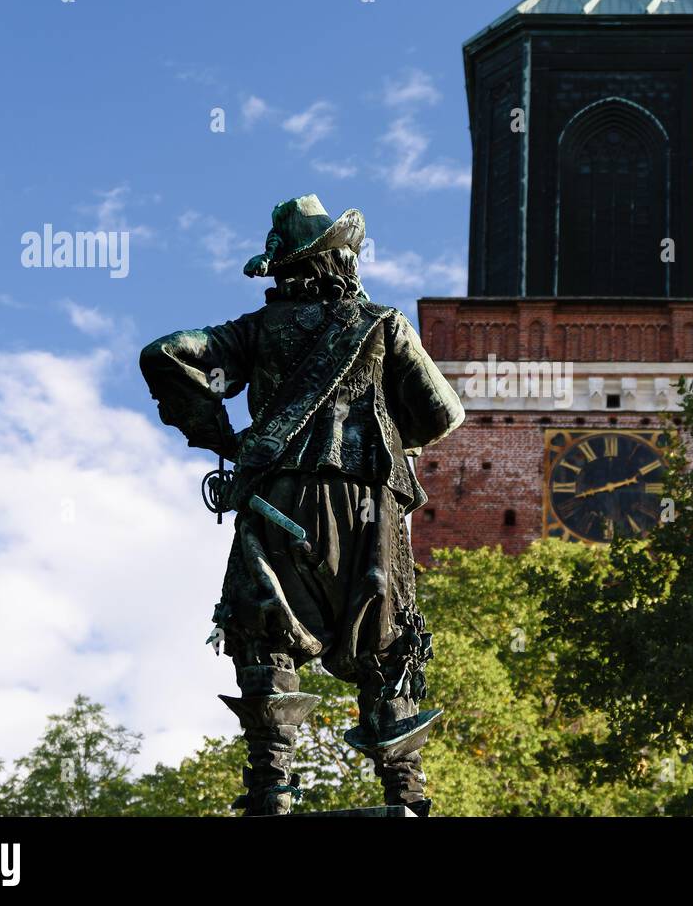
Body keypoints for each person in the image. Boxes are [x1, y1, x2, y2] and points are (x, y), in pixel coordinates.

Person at [139, 195, 464, 815]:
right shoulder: (382, 323)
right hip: (368, 503)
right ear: (340, 259)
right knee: (386, 639)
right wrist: (394, 438)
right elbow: (445, 412)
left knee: (266, 629)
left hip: (277, 497)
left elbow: (165, 352)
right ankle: (405, 793)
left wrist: (222, 436)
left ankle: (272, 790)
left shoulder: (255, 332)